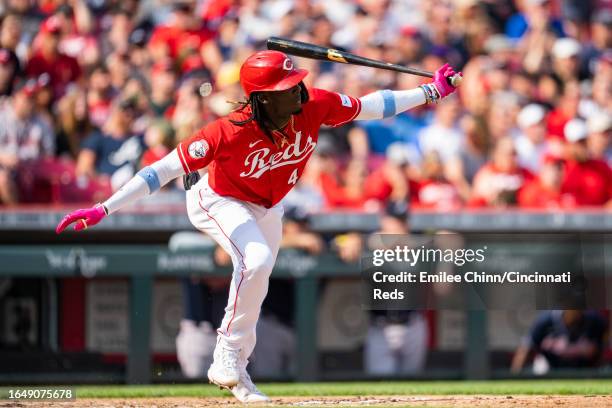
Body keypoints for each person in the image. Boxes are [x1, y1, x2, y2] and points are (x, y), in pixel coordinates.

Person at [56, 50, 460, 402]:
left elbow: (375, 105)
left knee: (259, 278)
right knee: (258, 257)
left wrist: (431, 92)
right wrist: (104, 208)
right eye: (287, 87)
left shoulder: (313, 103)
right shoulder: (227, 129)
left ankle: (239, 375)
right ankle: (226, 355)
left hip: (269, 204)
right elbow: (160, 171)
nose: (298, 91)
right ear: (262, 99)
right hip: (218, 200)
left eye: (296, 82)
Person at [511, 310, 608, 374]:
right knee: (541, 367)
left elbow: (601, 350)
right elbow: (526, 348)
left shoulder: (595, 321)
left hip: (584, 371)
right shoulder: (545, 321)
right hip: (549, 367)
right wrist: (515, 376)